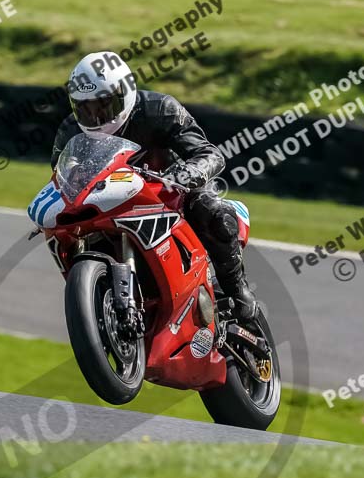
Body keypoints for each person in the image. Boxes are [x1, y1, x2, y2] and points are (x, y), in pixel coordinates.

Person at [49, 50, 257, 321]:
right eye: (85, 108)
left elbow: (210, 154)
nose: (96, 116)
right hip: (109, 203)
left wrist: (189, 173)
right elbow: (61, 176)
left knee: (214, 212)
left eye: (103, 105)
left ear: (125, 92)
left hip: (169, 192)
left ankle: (238, 292)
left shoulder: (159, 109)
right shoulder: (70, 131)